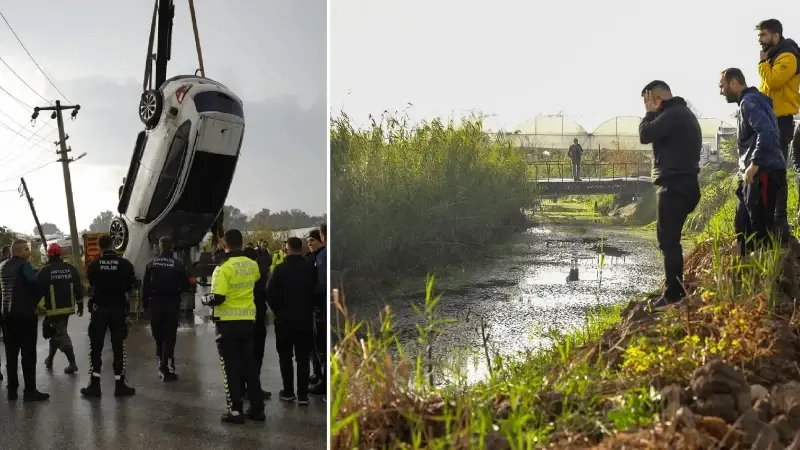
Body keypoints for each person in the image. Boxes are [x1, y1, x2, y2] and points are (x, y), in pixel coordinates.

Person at [638, 80, 702, 308]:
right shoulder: (681, 113)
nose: (647, 105)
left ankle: (674, 296)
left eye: (648, 100)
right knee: (669, 241)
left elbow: (645, 134)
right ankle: (672, 289)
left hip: (675, 185)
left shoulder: (674, 114)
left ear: (656, 99)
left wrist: (648, 114)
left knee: (668, 242)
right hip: (683, 184)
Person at [720, 68, 787, 257]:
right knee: (743, 225)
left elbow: (767, 132)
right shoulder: (754, 101)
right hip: (755, 174)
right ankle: (746, 277)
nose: (721, 91)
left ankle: (767, 280)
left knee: (760, 231)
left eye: (722, 86)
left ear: (734, 83)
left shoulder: (749, 103)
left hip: (762, 172)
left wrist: (755, 163)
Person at [201, 229, 265, 424]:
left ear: (223, 244)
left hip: (227, 325)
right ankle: (257, 410)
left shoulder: (223, 268)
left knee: (230, 369)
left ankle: (235, 411)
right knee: (249, 367)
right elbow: (253, 282)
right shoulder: (252, 265)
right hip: (247, 322)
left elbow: (218, 297)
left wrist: (205, 299)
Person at [756, 19, 800, 235]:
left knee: (778, 171)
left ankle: (780, 220)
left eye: (763, 35)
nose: (760, 40)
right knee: (768, 170)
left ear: (776, 36)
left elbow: (773, 82)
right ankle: (769, 218)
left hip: (781, 122)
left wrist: (763, 64)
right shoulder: (774, 57)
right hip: (770, 121)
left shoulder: (788, 56)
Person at [81, 234, 137, 398]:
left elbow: (91, 284)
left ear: (100, 247)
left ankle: (95, 385)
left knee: (96, 347)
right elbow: (130, 286)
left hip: (99, 310)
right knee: (118, 346)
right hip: (118, 309)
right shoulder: (125, 264)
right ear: (113, 245)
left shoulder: (93, 265)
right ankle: (120, 385)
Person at [266, 236, 317, 405]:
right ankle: (303, 395)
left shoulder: (279, 269)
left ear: (285, 250)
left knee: (285, 357)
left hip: (284, 320)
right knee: (303, 358)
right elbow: (315, 291)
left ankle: (288, 392)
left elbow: (270, 293)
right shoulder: (310, 267)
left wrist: (277, 311)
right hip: (304, 319)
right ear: (302, 250)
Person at [0, 240, 48, 401]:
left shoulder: (3, 265)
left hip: (7, 314)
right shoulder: (24, 265)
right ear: (19, 252)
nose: (29, 252)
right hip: (25, 314)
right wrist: (34, 303)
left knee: (11, 353)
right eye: (27, 249)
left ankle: (12, 390)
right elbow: (36, 286)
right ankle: (30, 391)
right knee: (28, 354)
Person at [141, 236, 190, 382]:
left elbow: (145, 288)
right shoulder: (178, 265)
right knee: (169, 337)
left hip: (155, 304)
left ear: (159, 247)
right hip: (171, 304)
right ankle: (165, 367)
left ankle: (163, 365)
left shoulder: (151, 264)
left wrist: (145, 306)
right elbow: (185, 286)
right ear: (172, 248)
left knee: (159, 337)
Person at [37, 243, 84, 374]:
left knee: (61, 334)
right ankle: (50, 360)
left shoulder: (45, 271)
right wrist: (80, 304)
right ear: (61, 254)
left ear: (48, 255)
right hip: (68, 308)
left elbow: (37, 291)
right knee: (58, 332)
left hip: (53, 309)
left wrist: (33, 306)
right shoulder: (70, 268)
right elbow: (78, 288)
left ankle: (72, 363)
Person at [242, 246, 272, 400]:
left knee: (242, 355)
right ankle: (254, 389)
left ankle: (241, 388)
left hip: (240, 319)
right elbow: (266, 292)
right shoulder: (258, 271)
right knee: (256, 355)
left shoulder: (236, 271)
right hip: (257, 317)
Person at [306, 228, 326, 395]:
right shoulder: (315, 256)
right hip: (317, 308)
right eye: (307, 242)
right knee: (316, 344)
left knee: (321, 345)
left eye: (312, 240)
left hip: (322, 306)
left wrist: (308, 291)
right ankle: (319, 375)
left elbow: (323, 284)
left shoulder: (323, 256)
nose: (309, 244)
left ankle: (324, 383)